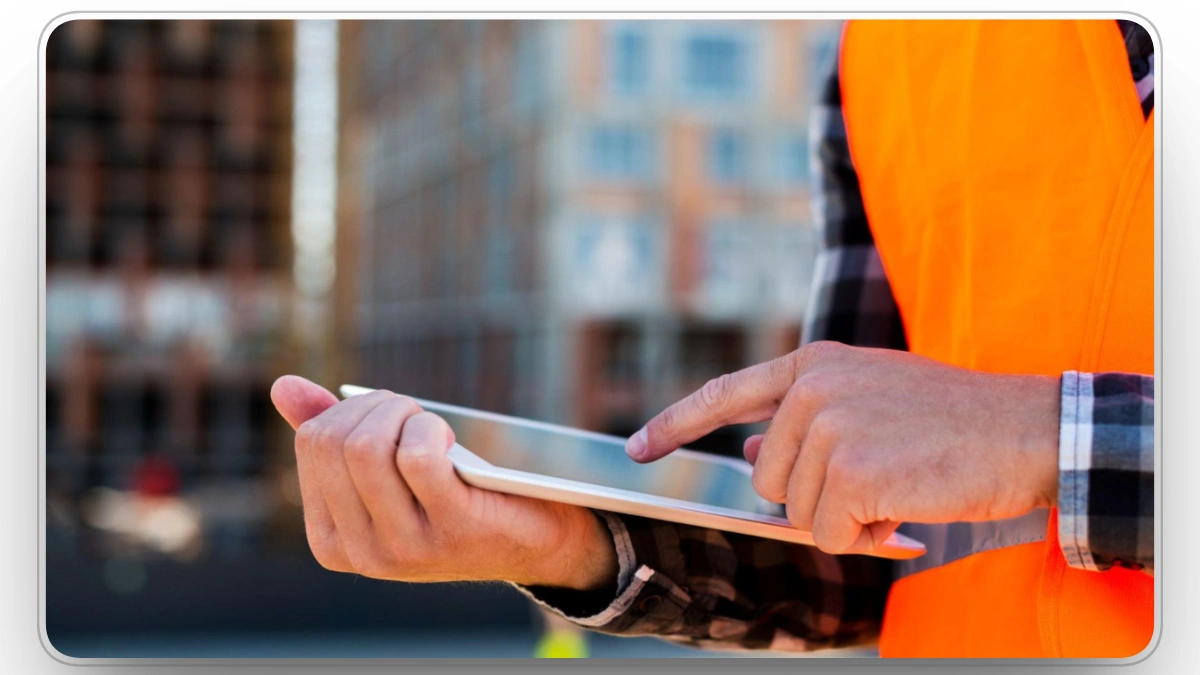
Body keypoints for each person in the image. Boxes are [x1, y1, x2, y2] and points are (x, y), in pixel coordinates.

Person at [270, 18, 1155, 658]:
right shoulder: (885, 50)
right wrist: (559, 542)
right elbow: (855, 559)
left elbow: (993, 441)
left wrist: (1050, 439)